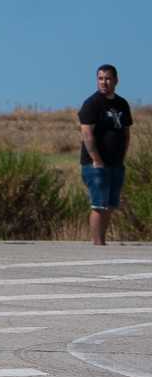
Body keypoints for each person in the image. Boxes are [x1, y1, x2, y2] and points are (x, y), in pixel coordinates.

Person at [78, 63, 132, 246]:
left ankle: (103, 240)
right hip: (96, 165)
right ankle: (98, 244)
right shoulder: (92, 104)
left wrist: (121, 157)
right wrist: (96, 160)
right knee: (99, 205)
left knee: (110, 205)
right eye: (100, 78)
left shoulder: (122, 104)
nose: (104, 82)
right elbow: (87, 134)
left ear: (116, 80)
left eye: (108, 78)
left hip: (116, 164)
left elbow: (126, 133)